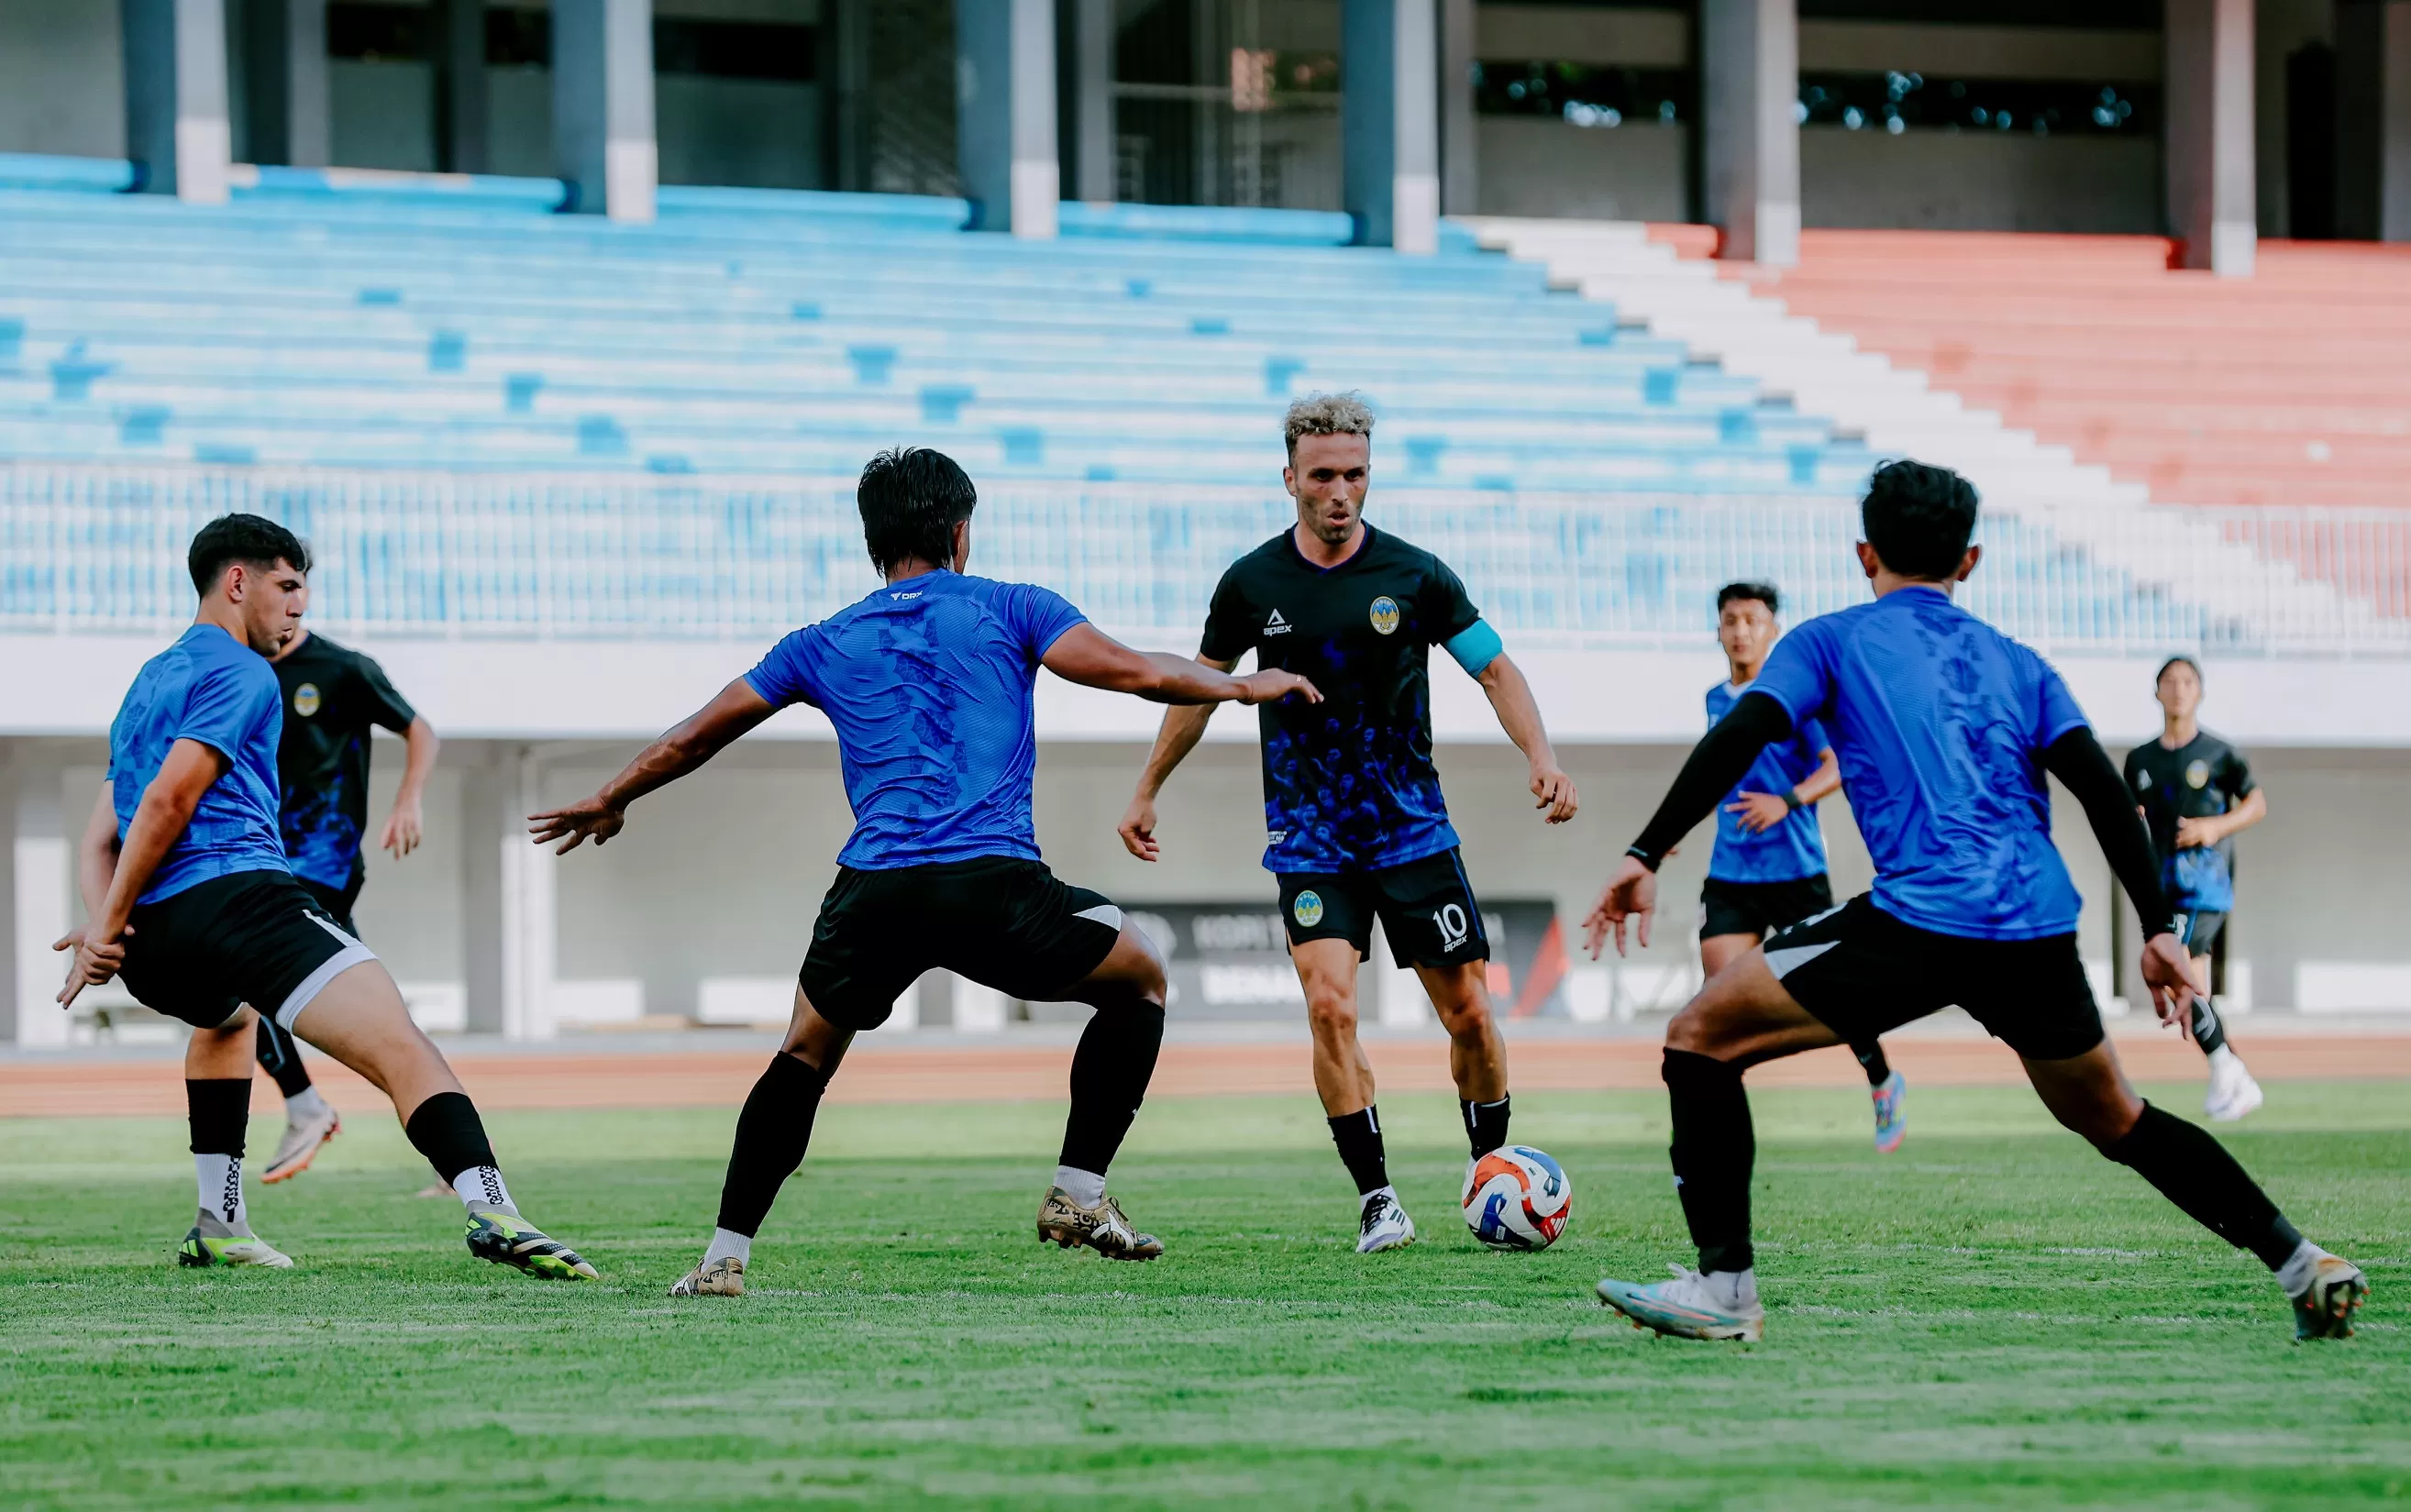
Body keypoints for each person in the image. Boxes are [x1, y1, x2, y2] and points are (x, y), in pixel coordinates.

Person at [1579, 460, 2366, 1344]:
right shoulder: (2019, 662)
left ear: (1863, 552)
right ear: (1972, 560)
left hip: (1919, 917)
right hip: (2033, 925)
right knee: (2118, 1116)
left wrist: (1645, 850)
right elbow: (2102, 790)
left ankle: (1725, 1290)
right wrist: (2154, 928)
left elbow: (1745, 730)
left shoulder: (1826, 640)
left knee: (1697, 1039)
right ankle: (2304, 1265)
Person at [530, 448, 1319, 1298]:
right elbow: (1134, 670)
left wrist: (612, 796)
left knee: (802, 1052)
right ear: (959, 531)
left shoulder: (823, 639)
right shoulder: (1015, 607)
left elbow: (696, 734)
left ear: (874, 539)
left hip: (876, 892)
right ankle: (1077, 1192)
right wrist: (1239, 687)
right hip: (993, 886)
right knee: (1141, 977)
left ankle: (724, 1255)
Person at [56, 513, 594, 1278]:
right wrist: (102, 929)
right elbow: (168, 802)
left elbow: (99, 838)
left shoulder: (146, 683)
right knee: (402, 1042)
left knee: (228, 1022)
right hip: (239, 902)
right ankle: (493, 1207)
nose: (299, 608)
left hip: (157, 939)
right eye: (287, 587)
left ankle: (220, 1222)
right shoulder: (243, 673)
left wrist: (110, 931)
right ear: (237, 583)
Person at [1115, 393, 1578, 1254]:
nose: (1339, 491)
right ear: (1288, 477)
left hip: (1413, 833)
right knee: (1330, 1007)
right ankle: (1378, 1199)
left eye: (1354, 474)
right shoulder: (1251, 584)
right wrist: (1147, 786)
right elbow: (1199, 690)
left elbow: (1494, 669)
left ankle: (1492, 1174)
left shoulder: (1416, 575)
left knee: (1469, 1013)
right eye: (1322, 475)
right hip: (1310, 840)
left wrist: (1539, 754)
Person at [1698, 581, 1906, 1153]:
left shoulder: (1794, 700)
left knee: (1835, 995)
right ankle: (1714, 1133)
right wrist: (1671, 835)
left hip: (1795, 873)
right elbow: (1715, 774)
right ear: (1718, 631)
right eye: (1731, 620)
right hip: (1731, 875)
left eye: (1752, 620)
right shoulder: (1715, 700)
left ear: (1772, 631)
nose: (1741, 630)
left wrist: (1785, 801)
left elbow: (1837, 764)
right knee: (1714, 1003)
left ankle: (1881, 1079)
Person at [251, 583, 442, 1184]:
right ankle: (454, 1147)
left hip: (319, 865)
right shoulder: (244, 672)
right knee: (381, 1018)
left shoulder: (342, 668)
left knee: (239, 987)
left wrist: (407, 800)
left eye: (293, 588)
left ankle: (307, 1106)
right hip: (265, 858)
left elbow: (420, 730)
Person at [2124, 657, 2264, 1121]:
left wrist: (2215, 827)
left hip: (2206, 886)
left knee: (2183, 973)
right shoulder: (2140, 760)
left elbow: (2256, 804)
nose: (2179, 689)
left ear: (2199, 692)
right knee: (2186, 980)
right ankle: (2230, 1071)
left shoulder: (2220, 754)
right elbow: (2132, 820)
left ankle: (2229, 1070)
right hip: (2165, 887)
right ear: (2157, 692)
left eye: (2188, 682)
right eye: (2170, 682)